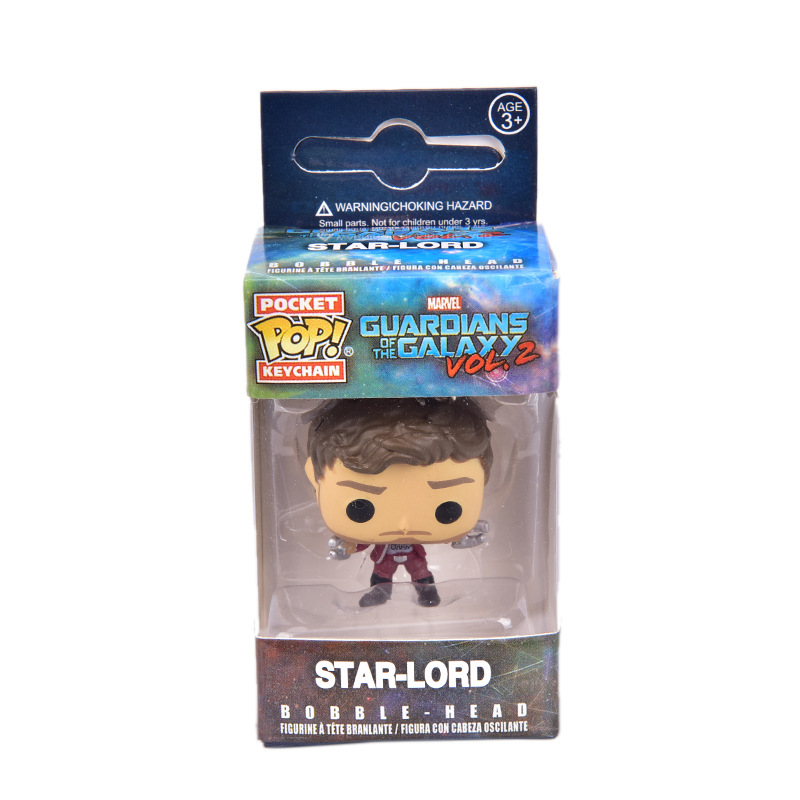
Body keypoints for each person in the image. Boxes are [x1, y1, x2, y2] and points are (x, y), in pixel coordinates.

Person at [304, 397, 491, 608]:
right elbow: (358, 544)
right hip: (385, 558)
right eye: (360, 509)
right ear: (314, 479)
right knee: (382, 574)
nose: (404, 525)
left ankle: (427, 592)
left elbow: (454, 538)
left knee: (420, 572)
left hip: (414, 557)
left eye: (448, 509)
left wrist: (460, 536)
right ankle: (379, 594)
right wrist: (345, 547)